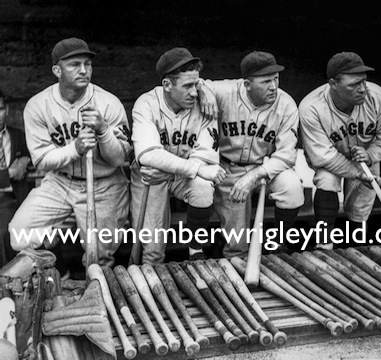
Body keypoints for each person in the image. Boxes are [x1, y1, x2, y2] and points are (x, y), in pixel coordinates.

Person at [9, 37, 132, 268]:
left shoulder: (108, 103)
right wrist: (75, 148)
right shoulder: (38, 105)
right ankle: (51, 247)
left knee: (99, 257)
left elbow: (119, 159)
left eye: (88, 64)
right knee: (19, 233)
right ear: (57, 70)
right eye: (75, 64)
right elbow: (42, 161)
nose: (84, 70)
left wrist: (103, 130)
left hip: (104, 183)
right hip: (60, 182)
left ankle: (95, 296)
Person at [199, 50, 304, 258]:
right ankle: (236, 265)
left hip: (266, 166)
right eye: (266, 81)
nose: (274, 87)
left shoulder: (286, 104)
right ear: (247, 84)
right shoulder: (226, 91)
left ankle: (278, 243)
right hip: (228, 168)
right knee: (237, 246)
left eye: (276, 79)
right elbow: (199, 83)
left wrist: (255, 175)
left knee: (292, 188)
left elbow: (286, 156)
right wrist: (204, 90)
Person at [298, 51, 381, 249]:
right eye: (354, 84)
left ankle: (356, 248)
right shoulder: (311, 107)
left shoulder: (379, 97)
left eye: (364, 81)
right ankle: (324, 245)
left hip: (367, 153)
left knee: (362, 201)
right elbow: (322, 155)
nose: (363, 89)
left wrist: (371, 155)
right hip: (330, 158)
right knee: (326, 180)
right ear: (333, 84)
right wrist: (355, 172)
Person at [130, 47, 225, 264]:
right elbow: (148, 155)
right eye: (188, 86)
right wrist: (198, 169)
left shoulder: (205, 104)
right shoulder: (146, 104)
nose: (194, 92)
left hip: (175, 175)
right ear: (167, 85)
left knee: (203, 187)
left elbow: (205, 157)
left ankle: (195, 251)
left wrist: (192, 169)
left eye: (196, 84)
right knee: (152, 249)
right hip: (149, 178)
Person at [0, 91, 31, 268]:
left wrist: (25, 159)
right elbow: (13, 172)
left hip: (15, 198)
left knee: (45, 232)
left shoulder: (17, 135)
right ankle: (5, 280)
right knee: (3, 232)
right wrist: (8, 174)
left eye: (0, 109)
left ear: (7, 109)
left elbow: (28, 154)